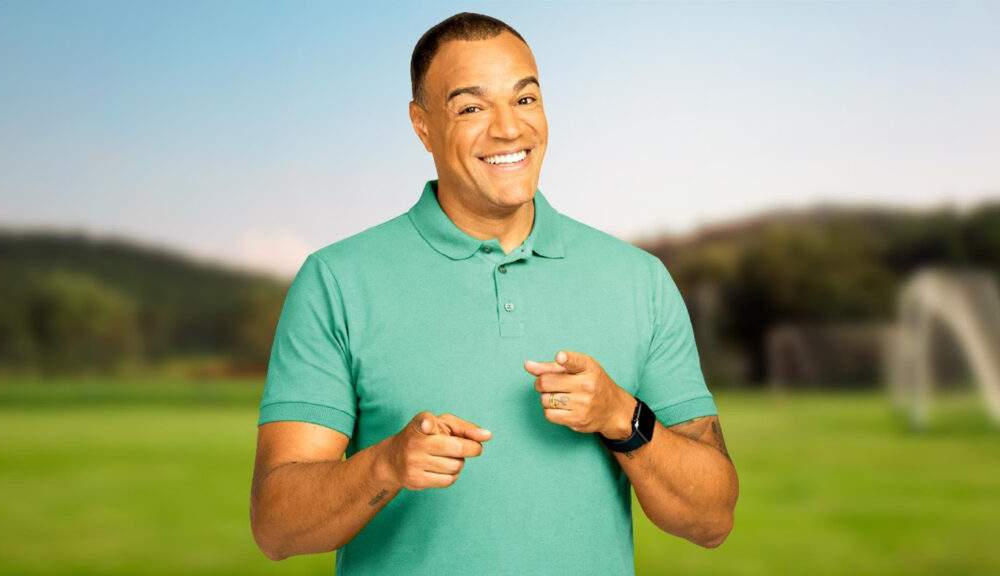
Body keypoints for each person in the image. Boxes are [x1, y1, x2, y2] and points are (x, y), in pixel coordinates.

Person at [250, 11, 738, 575]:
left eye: (525, 99)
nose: (509, 129)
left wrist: (621, 416)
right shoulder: (336, 280)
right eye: (471, 108)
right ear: (422, 126)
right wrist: (385, 465)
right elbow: (276, 528)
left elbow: (712, 519)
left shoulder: (639, 280)